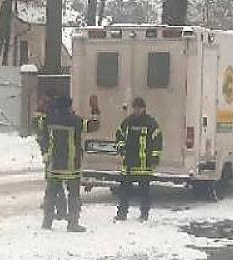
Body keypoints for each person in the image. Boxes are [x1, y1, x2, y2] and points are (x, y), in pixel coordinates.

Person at [38, 94, 99, 232]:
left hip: (54, 164)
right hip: (71, 165)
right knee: (74, 196)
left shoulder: (49, 120)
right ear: (69, 107)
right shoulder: (75, 121)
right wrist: (95, 110)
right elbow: (94, 126)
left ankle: (47, 222)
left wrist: (42, 106)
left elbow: (36, 124)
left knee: (51, 194)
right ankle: (72, 223)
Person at [114, 96, 163, 221]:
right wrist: (121, 147)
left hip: (144, 165)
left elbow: (157, 141)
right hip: (129, 164)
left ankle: (144, 214)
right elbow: (119, 135)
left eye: (139, 108)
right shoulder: (127, 122)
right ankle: (121, 214)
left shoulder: (151, 123)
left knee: (144, 192)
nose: (137, 110)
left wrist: (155, 158)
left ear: (143, 109)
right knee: (124, 192)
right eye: (135, 108)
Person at [32, 89, 66, 221]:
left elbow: (41, 129)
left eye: (44, 99)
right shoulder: (47, 112)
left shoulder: (49, 113)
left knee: (53, 179)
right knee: (53, 179)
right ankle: (58, 206)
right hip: (47, 148)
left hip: (51, 150)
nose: (42, 101)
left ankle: (59, 207)